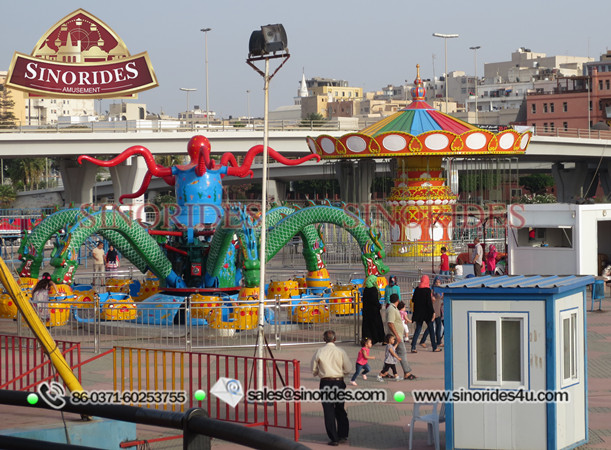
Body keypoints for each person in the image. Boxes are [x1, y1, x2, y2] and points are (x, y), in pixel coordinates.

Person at [311, 330, 351, 446]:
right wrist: (341, 373)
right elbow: (348, 368)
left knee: (328, 410)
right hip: (338, 382)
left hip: (325, 382)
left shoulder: (319, 351)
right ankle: (343, 434)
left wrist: (319, 373)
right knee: (340, 408)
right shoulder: (340, 351)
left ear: (324, 339)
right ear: (335, 339)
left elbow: (313, 369)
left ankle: (333, 438)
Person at [386, 293, 417, 380]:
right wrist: (397, 336)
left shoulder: (393, 308)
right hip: (395, 337)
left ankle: (384, 372)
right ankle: (407, 372)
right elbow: (390, 323)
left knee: (390, 354)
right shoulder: (392, 309)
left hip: (396, 335)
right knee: (402, 353)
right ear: (397, 300)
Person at [411, 275, 440, 353]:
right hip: (427, 313)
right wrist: (433, 312)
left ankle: (413, 346)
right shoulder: (427, 290)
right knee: (431, 330)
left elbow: (413, 300)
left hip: (418, 313)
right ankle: (434, 347)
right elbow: (429, 303)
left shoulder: (417, 289)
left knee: (418, 330)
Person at [420, 276, 444, 348]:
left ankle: (438, 341)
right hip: (433, 310)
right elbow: (430, 298)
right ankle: (423, 341)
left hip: (438, 310)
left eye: (439, 282)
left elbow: (442, 297)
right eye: (436, 282)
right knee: (430, 327)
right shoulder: (432, 289)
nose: (438, 283)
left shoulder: (441, 289)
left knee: (438, 326)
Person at [361, 275, 385, 345]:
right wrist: (379, 305)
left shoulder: (365, 289)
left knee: (367, 327)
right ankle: (378, 338)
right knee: (376, 325)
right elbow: (374, 301)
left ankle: (368, 340)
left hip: (366, 311)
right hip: (374, 312)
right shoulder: (373, 290)